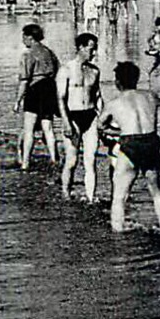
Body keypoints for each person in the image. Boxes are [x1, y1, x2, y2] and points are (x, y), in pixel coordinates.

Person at [98, 61, 160, 234]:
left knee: (119, 196)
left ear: (117, 82)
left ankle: (118, 232)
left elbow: (100, 125)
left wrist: (114, 132)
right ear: (137, 79)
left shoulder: (114, 103)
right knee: (157, 192)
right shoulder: (151, 96)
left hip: (130, 143)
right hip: (151, 142)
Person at [58, 32, 104, 203]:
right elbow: (60, 99)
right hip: (73, 116)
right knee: (71, 160)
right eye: (91, 49)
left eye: (95, 49)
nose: (94, 53)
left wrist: (102, 119)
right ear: (81, 48)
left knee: (90, 160)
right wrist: (65, 122)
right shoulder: (66, 70)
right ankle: (65, 193)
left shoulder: (94, 71)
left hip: (90, 116)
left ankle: (91, 197)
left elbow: (98, 96)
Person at [16, 23, 62, 170]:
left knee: (29, 128)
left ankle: (25, 162)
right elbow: (58, 71)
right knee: (48, 127)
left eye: (24, 36)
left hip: (35, 89)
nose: (23, 40)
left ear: (30, 37)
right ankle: (55, 159)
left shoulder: (28, 55)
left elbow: (24, 80)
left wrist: (18, 100)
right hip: (49, 89)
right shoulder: (49, 53)